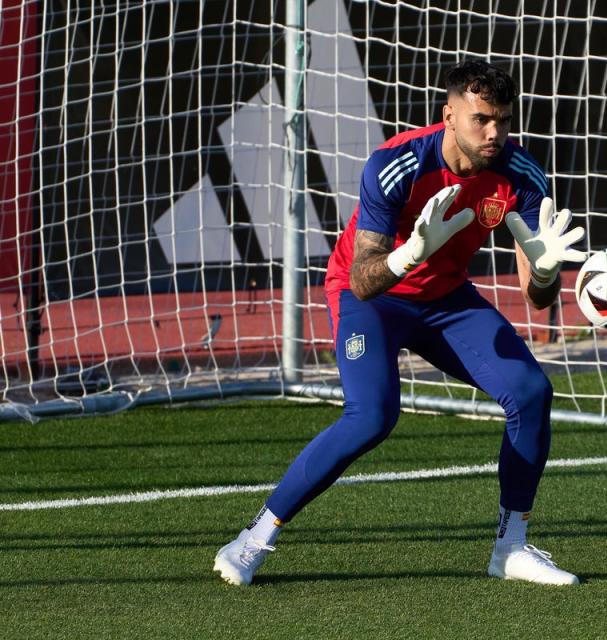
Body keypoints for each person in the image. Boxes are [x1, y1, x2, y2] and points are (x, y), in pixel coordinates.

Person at [214, 59, 586, 586]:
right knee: (371, 416)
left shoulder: (521, 175)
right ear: (449, 114)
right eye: (481, 119)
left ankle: (511, 547)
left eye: (503, 119)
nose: (494, 132)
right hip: (372, 298)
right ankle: (251, 539)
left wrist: (547, 270)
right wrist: (410, 253)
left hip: (446, 300)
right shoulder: (396, 163)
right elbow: (363, 280)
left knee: (530, 392)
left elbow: (537, 297)